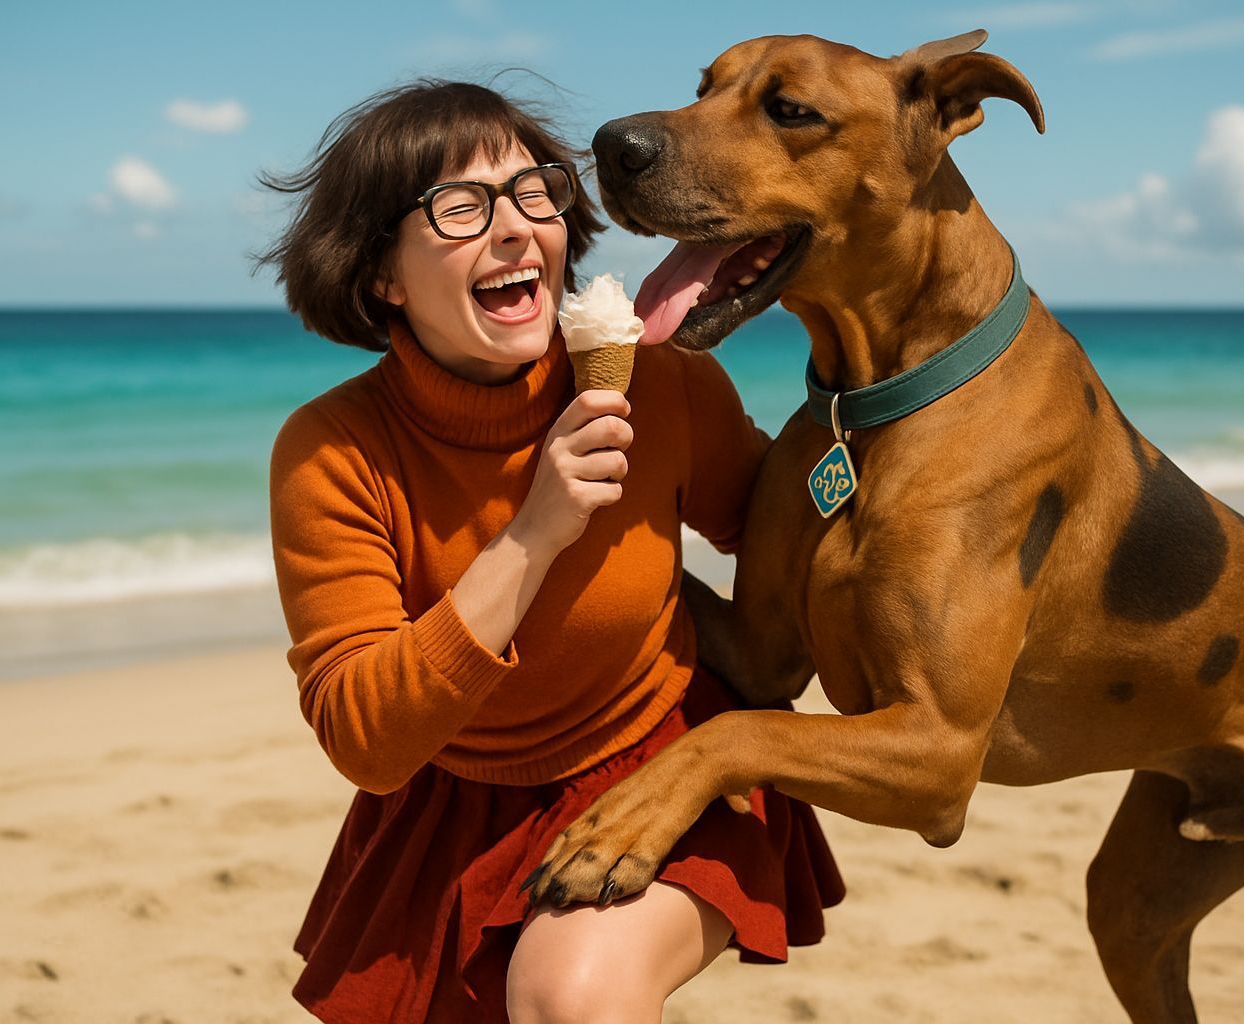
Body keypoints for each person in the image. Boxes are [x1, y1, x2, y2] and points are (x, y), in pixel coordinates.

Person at [258, 79, 844, 1024]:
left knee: (568, 994)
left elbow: (804, 543)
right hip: (449, 808)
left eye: (537, 192)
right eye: (460, 207)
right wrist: (534, 531)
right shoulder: (332, 452)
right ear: (382, 274)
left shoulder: (665, 384)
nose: (515, 227)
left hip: (665, 758)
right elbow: (365, 740)